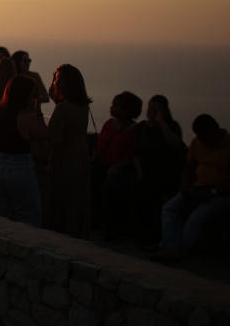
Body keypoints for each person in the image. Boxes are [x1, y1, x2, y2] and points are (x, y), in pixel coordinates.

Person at [150, 114, 230, 263]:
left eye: (205, 136)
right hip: (198, 188)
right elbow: (189, 168)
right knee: (169, 208)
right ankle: (170, 247)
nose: (203, 140)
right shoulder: (196, 143)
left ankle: (179, 251)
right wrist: (184, 188)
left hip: (220, 194)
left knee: (197, 217)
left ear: (215, 130)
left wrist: (214, 191)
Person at [0, 76, 48, 226]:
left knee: (1, 218)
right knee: (29, 217)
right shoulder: (27, 117)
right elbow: (45, 135)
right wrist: (38, 110)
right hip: (20, 169)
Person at [44, 64, 92, 239]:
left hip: (64, 162)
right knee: (76, 203)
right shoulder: (82, 107)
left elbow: (55, 139)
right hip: (80, 159)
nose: (53, 82)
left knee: (60, 203)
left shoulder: (63, 109)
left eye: (56, 78)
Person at [133, 95, 186, 246]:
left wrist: (161, 123)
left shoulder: (172, 126)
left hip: (166, 173)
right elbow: (136, 153)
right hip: (145, 173)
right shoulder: (141, 128)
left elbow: (176, 146)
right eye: (149, 108)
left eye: (155, 109)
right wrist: (140, 172)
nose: (150, 111)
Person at [95, 91, 142, 241]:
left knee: (111, 189)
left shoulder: (134, 130)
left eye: (115, 105)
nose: (111, 107)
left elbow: (134, 155)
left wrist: (119, 166)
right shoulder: (109, 124)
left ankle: (112, 230)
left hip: (120, 169)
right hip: (102, 165)